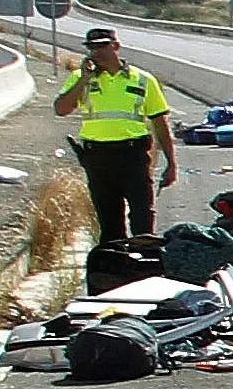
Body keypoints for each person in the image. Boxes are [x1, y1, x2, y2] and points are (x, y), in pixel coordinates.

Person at [52, 26, 178, 248]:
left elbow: (160, 122)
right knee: (110, 221)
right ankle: (116, 271)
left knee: (142, 216)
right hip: (98, 156)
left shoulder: (143, 79)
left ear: (116, 47)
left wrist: (171, 163)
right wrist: (84, 79)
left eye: (103, 46)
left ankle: (145, 267)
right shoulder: (80, 78)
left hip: (133, 154)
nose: (97, 52)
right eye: (92, 48)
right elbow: (61, 109)